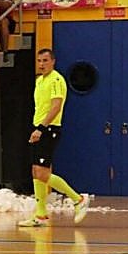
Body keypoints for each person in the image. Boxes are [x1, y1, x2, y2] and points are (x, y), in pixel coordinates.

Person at [18, 48, 88, 227]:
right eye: (39, 60)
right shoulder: (39, 80)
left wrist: (41, 128)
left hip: (49, 129)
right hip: (38, 128)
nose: (41, 64)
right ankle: (40, 214)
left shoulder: (57, 79)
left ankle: (77, 199)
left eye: (45, 60)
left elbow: (56, 106)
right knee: (36, 171)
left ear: (53, 61)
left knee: (43, 172)